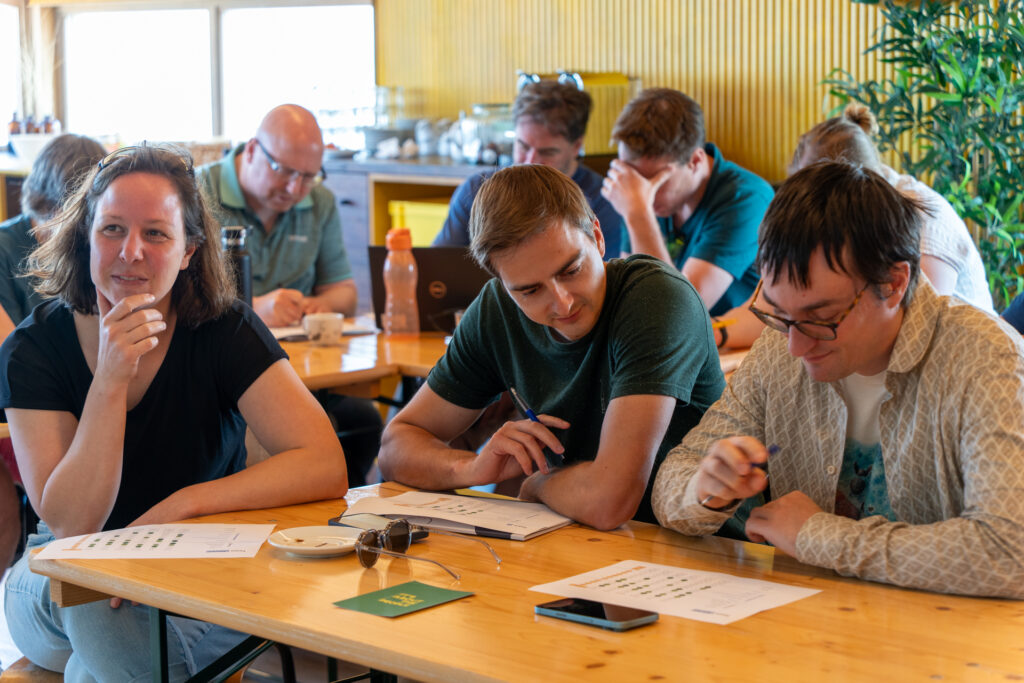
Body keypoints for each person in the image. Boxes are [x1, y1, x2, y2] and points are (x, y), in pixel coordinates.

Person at [1, 144, 349, 680]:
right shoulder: (34, 346)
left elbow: (324, 463)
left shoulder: (225, 329)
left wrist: (185, 504)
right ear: (86, 236)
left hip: (198, 560)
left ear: (189, 251)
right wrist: (111, 378)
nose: (130, 252)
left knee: (96, 665)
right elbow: (72, 524)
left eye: (156, 234)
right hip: (59, 571)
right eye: (112, 229)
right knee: (93, 597)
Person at [652, 161, 1024, 599]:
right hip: (811, 621)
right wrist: (706, 490)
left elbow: (1010, 552)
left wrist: (816, 536)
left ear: (894, 283)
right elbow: (671, 480)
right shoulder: (779, 348)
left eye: (821, 318)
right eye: (778, 313)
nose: (795, 346)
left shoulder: (987, 358)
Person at [379, 165, 725, 530]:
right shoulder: (497, 308)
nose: (562, 302)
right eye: (530, 291)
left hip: (705, 546)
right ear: (502, 283)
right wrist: (473, 467)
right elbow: (395, 447)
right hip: (580, 536)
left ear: (597, 236)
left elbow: (610, 501)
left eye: (571, 270)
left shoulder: (656, 298)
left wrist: (538, 486)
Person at [714, 103, 995, 351]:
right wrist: (715, 332)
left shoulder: (922, 221)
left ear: (853, 188)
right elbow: (773, 307)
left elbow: (918, 331)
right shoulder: (823, 219)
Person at [198, 104, 380, 487]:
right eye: (284, 171)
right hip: (223, 372)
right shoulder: (199, 193)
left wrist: (318, 306)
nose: (295, 189)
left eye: (308, 177)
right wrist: (254, 310)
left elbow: (344, 294)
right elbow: (179, 300)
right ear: (252, 150)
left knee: (364, 420)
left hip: (305, 367)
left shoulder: (320, 203)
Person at [0, 134, 106, 575]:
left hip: (80, 399)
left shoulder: (98, 249)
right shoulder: (6, 248)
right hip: (20, 409)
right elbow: (11, 354)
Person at [600, 88, 773, 316]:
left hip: (734, 337)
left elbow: (678, 313)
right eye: (633, 180)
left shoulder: (747, 198)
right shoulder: (637, 194)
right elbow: (632, 295)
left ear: (695, 160)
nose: (643, 192)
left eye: (657, 182)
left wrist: (639, 213)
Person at [432, 80, 624, 259]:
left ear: (577, 146)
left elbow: (605, 277)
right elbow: (438, 266)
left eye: (547, 152)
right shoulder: (475, 191)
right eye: (523, 146)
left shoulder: (604, 202)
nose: (530, 161)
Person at [0, 133, 106, 338]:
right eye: (70, 211)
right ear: (46, 202)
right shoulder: (5, 248)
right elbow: (6, 349)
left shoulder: (94, 247)